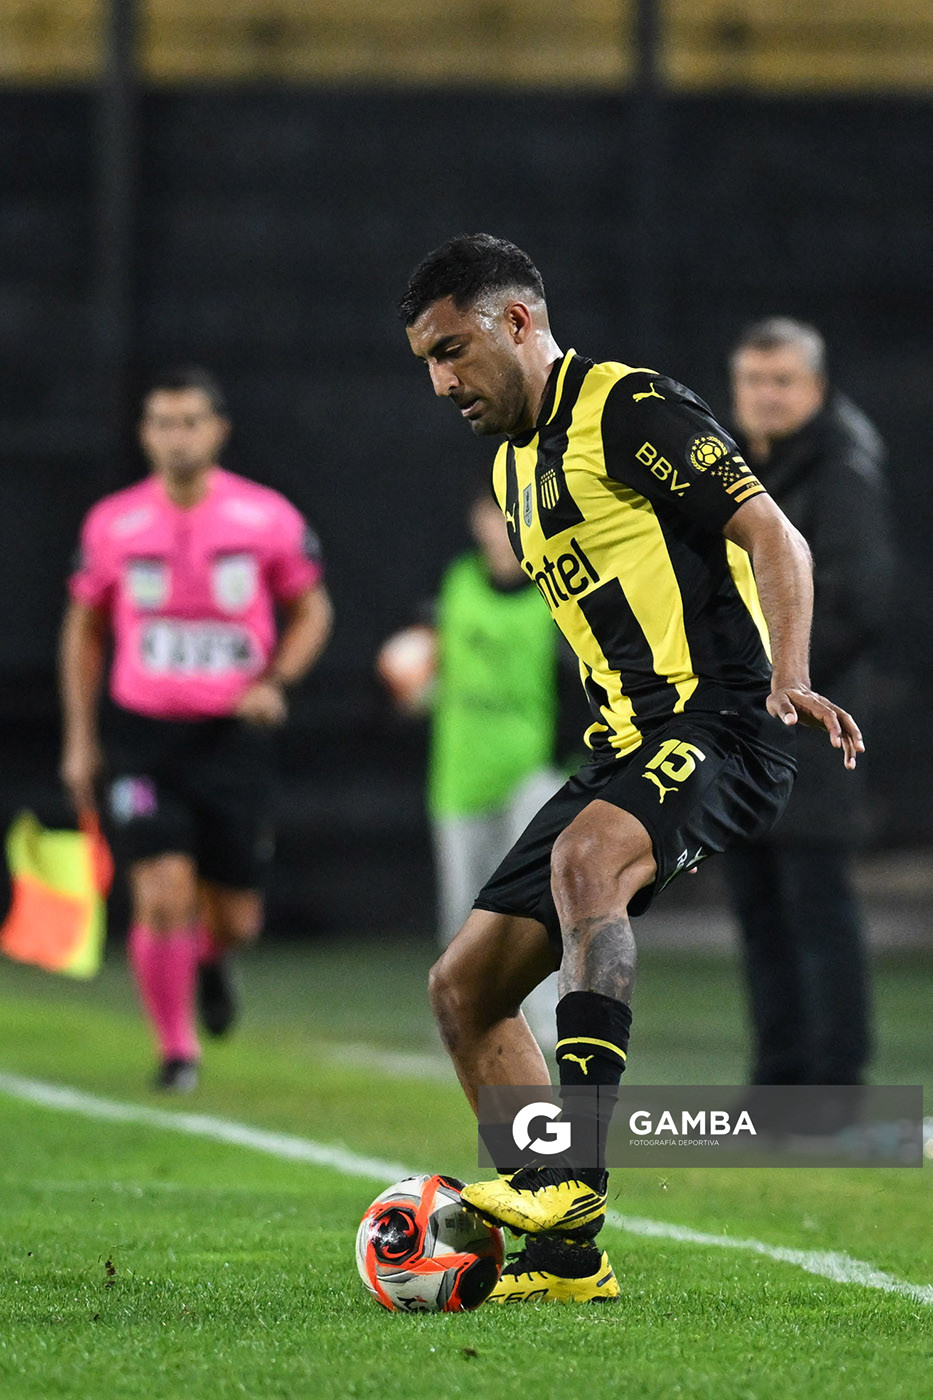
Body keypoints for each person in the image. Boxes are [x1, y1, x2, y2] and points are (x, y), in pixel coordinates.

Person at [399, 234, 863, 1304]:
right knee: (463, 989)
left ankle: (574, 1181)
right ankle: (567, 1261)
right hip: (624, 745)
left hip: (722, 725)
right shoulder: (511, 465)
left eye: (454, 349)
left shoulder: (628, 406)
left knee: (585, 858)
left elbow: (774, 535)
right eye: (426, 360)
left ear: (518, 320)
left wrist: (788, 673)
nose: (441, 381)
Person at [60, 367, 333, 1091]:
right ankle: (177, 1050)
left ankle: (213, 959)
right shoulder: (113, 523)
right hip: (144, 738)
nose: (175, 436)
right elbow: (83, 630)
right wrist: (81, 739)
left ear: (218, 431)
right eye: (160, 423)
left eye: (189, 422)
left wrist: (274, 683)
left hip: (231, 743)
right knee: (161, 893)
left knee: (238, 917)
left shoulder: (266, 517)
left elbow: (312, 610)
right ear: (144, 434)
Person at [724, 318, 892, 1086]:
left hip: (814, 733)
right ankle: (779, 1079)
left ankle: (834, 1081)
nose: (764, 395)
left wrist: (781, 677)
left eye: (781, 381)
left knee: (813, 907)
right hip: (747, 730)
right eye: (752, 380)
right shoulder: (738, 465)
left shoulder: (839, 469)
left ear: (816, 390)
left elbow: (860, 601)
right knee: (759, 907)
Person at [378, 489, 569, 1044]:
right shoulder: (455, 586)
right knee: (465, 914)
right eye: (495, 513)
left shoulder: (557, 592)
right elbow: (423, 675)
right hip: (460, 773)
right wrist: (410, 687)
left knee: (536, 904)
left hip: (535, 773)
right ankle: (473, 1023)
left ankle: (552, 1027)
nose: (505, 526)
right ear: (478, 520)